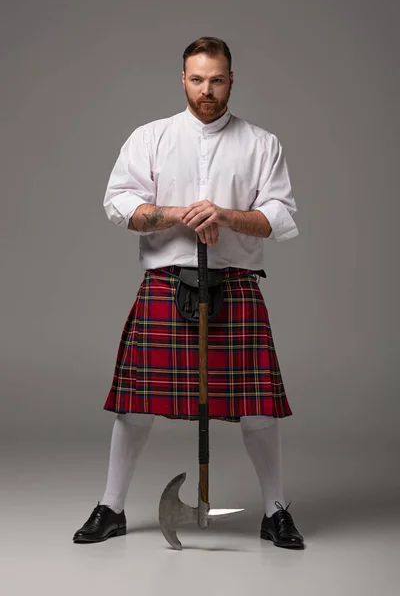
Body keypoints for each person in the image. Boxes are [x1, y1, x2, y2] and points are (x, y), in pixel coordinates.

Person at [73, 36, 304, 550]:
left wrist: (223, 214)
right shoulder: (149, 138)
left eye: (217, 79)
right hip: (165, 282)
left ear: (231, 80)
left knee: (258, 407)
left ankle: (276, 511)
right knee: (134, 406)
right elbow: (118, 205)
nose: (207, 90)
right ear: (182, 78)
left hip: (236, 284)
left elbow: (281, 217)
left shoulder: (261, 143)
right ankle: (111, 508)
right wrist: (180, 214)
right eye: (197, 79)